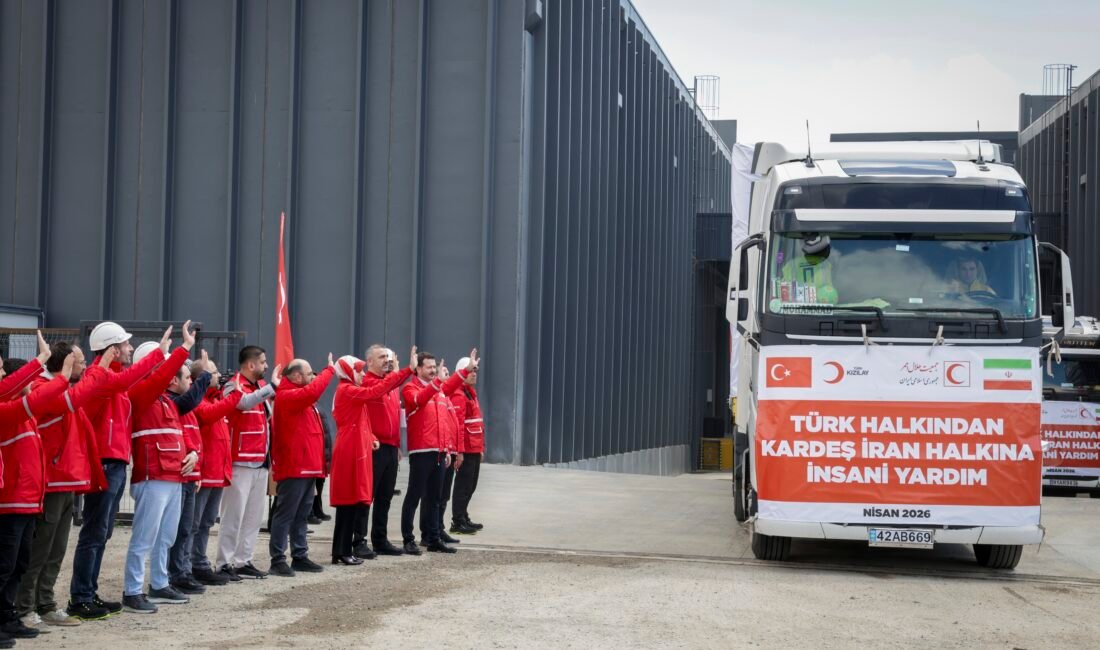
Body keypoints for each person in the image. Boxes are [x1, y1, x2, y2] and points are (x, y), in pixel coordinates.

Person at [68, 323, 173, 621]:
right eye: (125, 345)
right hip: (104, 463)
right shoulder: (100, 377)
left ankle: (88, 592)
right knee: (94, 532)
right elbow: (128, 379)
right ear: (113, 348)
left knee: (101, 532)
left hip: (113, 463)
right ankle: (80, 597)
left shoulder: (112, 378)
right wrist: (161, 354)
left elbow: (147, 382)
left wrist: (176, 354)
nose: (130, 349)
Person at [16, 341, 111, 631]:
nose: (85, 367)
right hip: (52, 481)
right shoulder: (44, 388)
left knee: (56, 550)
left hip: (68, 480)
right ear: (68, 362)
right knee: (40, 549)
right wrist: (104, 363)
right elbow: (75, 398)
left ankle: (45, 603)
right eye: (80, 361)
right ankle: (26, 607)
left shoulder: (59, 388)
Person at [0, 344, 78, 645]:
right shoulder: (10, 411)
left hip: (28, 501)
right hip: (12, 503)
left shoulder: (23, 415)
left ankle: (8, 617)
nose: (4, 378)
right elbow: (32, 400)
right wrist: (53, 368)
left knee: (18, 563)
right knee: (5, 565)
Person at [121, 322, 197, 614]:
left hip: (173, 476)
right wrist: (184, 348)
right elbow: (160, 377)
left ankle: (159, 584)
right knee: (145, 537)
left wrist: (192, 453)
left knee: (166, 535)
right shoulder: (140, 393)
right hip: (153, 476)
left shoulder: (165, 399)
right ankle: (132, 591)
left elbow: (181, 433)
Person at [329, 352, 416, 564]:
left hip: (359, 447)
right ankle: (347, 548)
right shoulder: (348, 390)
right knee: (351, 500)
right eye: (357, 371)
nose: (361, 375)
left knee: (353, 500)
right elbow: (376, 391)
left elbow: (364, 419)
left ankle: (343, 551)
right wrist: (404, 371)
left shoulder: (351, 390)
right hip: (352, 449)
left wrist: (371, 437)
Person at [190, 365, 272, 586]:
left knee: (212, 521)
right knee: (214, 520)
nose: (220, 375)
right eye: (214, 372)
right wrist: (267, 387)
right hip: (227, 465)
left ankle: (238, 560)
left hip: (234, 465)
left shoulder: (218, 397)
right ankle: (209, 563)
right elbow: (235, 406)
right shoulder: (226, 391)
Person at [400, 350, 478, 555]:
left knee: (435, 497)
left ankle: (433, 538)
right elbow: (419, 400)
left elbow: (450, 384)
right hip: (421, 451)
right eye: (429, 367)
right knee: (414, 496)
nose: (433, 371)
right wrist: (437, 384)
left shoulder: (439, 390)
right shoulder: (410, 388)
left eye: (435, 367)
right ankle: (408, 539)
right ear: (417, 369)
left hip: (439, 451)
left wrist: (466, 370)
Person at [268, 355, 335, 577]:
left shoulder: (299, 397)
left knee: (301, 514)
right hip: (295, 467)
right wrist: (329, 371)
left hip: (307, 466)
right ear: (296, 376)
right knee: (286, 513)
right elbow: (312, 391)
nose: (313, 377)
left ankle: (299, 555)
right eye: (309, 374)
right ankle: (278, 559)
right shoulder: (288, 396)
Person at [217, 346, 273, 581]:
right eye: (263, 362)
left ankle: (243, 560)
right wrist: (273, 387)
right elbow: (243, 403)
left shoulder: (259, 386)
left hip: (260, 461)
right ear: (251, 365)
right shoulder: (233, 384)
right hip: (240, 461)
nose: (266, 366)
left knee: (253, 516)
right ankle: (223, 562)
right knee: (233, 515)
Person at [359, 345, 412, 557]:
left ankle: (379, 539)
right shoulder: (369, 383)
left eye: (388, 357)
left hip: (390, 447)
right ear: (369, 361)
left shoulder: (391, 386)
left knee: (385, 496)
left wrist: (397, 444)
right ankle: (359, 539)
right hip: (374, 446)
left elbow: (394, 418)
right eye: (382, 357)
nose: (387, 361)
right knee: (367, 496)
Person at [449, 356, 485, 535]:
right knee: (463, 485)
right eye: (471, 371)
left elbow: (477, 423)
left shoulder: (470, 392)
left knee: (471, 485)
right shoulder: (458, 394)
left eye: (475, 371)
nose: (474, 374)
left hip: (475, 447)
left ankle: (463, 515)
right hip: (467, 448)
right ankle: (457, 521)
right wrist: (460, 451)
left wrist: (481, 448)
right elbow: (459, 425)